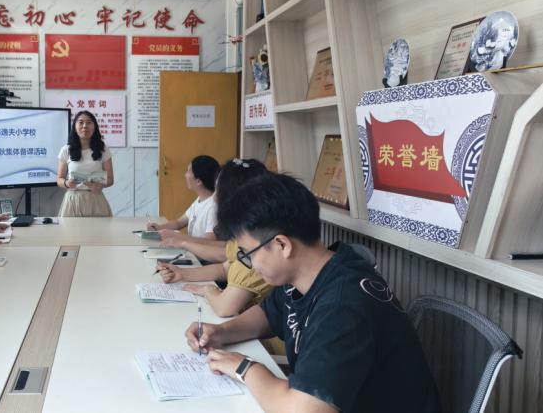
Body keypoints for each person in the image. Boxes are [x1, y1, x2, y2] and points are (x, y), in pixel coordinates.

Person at [184, 172, 441, 413]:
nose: (249, 264)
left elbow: (303, 409)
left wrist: (244, 368)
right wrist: (221, 332)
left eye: (248, 254)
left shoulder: (343, 306)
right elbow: (267, 315)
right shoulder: (306, 273)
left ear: (282, 245)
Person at [156, 158, 273, 317]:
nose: (215, 198)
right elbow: (224, 268)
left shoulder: (257, 245)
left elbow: (224, 308)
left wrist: (207, 290)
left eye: (219, 190)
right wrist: (181, 273)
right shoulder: (247, 234)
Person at [147, 155, 221, 261]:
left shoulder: (213, 207)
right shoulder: (199, 200)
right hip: (193, 255)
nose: (185, 175)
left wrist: (178, 238)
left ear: (198, 181)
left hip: (203, 261)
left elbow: (210, 242)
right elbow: (179, 222)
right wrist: (159, 228)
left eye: (188, 171)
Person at [56, 110, 114, 217]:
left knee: (99, 229)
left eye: (89, 122)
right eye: (81, 122)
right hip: (73, 199)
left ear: (94, 127)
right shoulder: (66, 150)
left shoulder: (103, 149)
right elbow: (59, 179)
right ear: (75, 127)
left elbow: (110, 179)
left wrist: (100, 184)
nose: (85, 126)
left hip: (95, 199)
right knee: (70, 229)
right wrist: (66, 183)